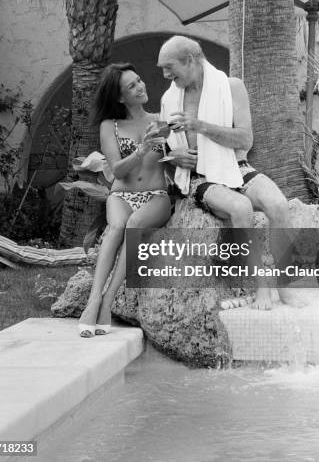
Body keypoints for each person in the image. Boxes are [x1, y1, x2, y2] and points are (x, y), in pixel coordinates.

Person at [158, 35, 293, 310]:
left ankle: (283, 283)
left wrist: (201, 126)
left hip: (236, 166)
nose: (165, 74)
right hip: (199, 178)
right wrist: (173, 157)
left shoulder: (231, 87)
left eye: (169, 66)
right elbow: (165, 150)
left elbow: (245, 140)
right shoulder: (169, 99)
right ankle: (260, 288)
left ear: (190, 60)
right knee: (240, 207)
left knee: (279, 205)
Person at [78, 63, 171, 337]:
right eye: (131, 86)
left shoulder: (160, 120)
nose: (140, 86)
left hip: (157, 196)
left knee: (135, 223)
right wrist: (142, 150)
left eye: (139, 80)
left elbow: (173, 162)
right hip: (121, 194)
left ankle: (108, 300)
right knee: (117, 226)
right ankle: (94, 300)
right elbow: (117, 170)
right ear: (120, 97)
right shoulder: (111, 125)